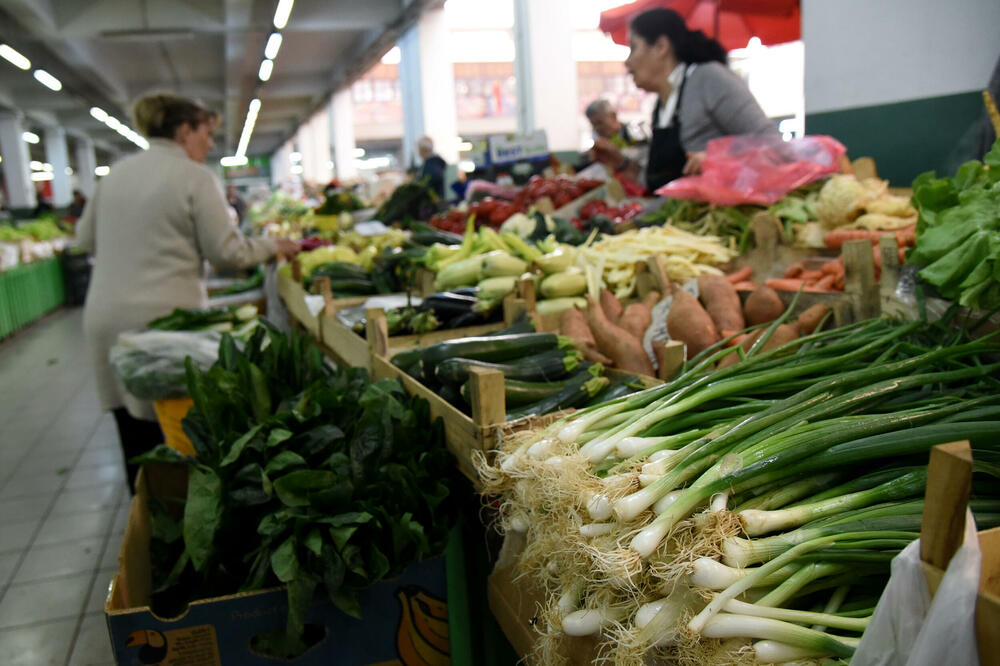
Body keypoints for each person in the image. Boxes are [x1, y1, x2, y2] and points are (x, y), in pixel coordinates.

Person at [76, 93, 299, 493]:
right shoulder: (195, 177)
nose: (210, 145)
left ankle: (143, 521)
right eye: (206, 134)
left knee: (133, 435)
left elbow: (84, 239)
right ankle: (176, 523)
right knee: (177, 434)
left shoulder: (114, 175)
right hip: (164, 320)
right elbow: (227, 252)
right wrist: (273, 246)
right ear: (183, 131)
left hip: (105, 316)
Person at [593, 8, 777, 192]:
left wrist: (720, 161)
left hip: (722, 215)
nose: (628, 62)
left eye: (633, 48)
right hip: (679, 217)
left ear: (661, 47)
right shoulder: (661, 106)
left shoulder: (709, 78)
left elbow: (774, 147)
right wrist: (620, 162)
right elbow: (661, 183)